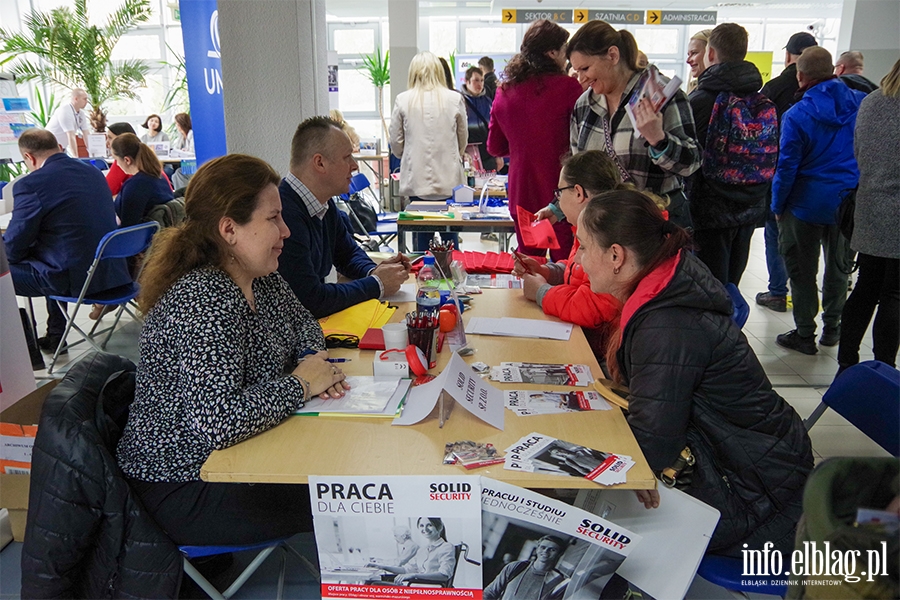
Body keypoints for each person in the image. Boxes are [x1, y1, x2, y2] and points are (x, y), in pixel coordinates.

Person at [116, 154, 350, 546]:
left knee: (344, 473)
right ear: (229, 230)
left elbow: (305, 323)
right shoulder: (204, 297)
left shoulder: (260, 276)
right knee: (347, 491)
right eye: (273, 218)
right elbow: (219, 421)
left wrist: (312, 360)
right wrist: (302, 384)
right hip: (183, 483)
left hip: (233, 457)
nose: (286, 231)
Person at [574, 188, 813, 557]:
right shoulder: (666, 285)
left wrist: (640, 464)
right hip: (754, 463)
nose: (579, 261)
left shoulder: (666, 325)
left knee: (583, 512)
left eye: (584, 247)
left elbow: (652, 441)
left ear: (616, 256)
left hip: (751, 494)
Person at [772, 47, 866, 355]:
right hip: (846, 204)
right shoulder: (861, 105)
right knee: (839, 269)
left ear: (800, 76)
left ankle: (804, 333)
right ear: (835, 71)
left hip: (804, 205)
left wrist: (777, 205)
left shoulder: (797, 114)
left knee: (801, 270)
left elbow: (786, 167)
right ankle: (833, 328)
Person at [3, 128, 131, 352]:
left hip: (76, 280)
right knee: (53, 258)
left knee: (13, 267)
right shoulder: (92, 172)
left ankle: (22, 351)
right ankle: (55, 337)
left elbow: (14, 246)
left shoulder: (31, 184)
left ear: (28, 157)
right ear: (59, 147)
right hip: (113, 274)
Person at [567, 20, 700, 230]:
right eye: (577, 70)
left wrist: (659, 140)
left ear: (612, 55)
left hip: (656, 224)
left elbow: (691, 163)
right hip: (608, 225)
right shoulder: (584, 105)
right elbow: (579, 169)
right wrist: (559, 206)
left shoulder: (663, 95)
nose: (581, 78)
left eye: (585, 68)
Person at [280, 116, 410, 318]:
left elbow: (347, 253)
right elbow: (311, 300)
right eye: (347, 157)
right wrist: (377, 284)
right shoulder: (284, 216)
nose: (355, 166)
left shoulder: (324, 202)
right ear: (320, 163)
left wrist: (374, 271)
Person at [487, 19, 583, 261]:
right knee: (567, 264)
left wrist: (522, 144)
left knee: (532, 264)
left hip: (524, 190)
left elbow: (495, 146)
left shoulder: (505, 91)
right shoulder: (570, 88)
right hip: (564, 193)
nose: (567, 59)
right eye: (564, 52)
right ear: (552, 53)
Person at [513, 151, 622, 358]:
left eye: (560, 193)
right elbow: (577, 269)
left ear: (579, 193)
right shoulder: (593, 226)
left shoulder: (609, 235)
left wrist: (541, 292)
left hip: (602, 353)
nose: (557, 202)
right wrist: (547, 271)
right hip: (589, 341)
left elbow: (592, 306)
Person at [688, 23, 771, 286]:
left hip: (709, 211)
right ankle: (733, 324)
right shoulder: (760, 99)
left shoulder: (701, 100)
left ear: (710, 54)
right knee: (733, 283)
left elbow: (689, 160)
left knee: (708, 285)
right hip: (750, 205)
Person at [837, 59, 900, 374]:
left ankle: (846, 362)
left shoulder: (872, 101)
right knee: (894, 293)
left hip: (870, 204)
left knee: (866, 287)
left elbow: (859, 151)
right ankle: (883, 367)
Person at [755, 32, 818, 312]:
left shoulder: (774, 88)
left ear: (789, 56)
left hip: (777, 172)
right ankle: (822, 315)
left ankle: (778, 291)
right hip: (819, 183)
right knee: (811, 244)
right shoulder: (843, 95)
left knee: (774, 231)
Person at [390, 51, 467, 250]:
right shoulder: (454, 99)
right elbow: (462, 141)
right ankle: (453, 276)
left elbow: (396, 143)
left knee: (420, 245)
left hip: (417, 183)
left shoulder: (403, 99)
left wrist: (406, 155)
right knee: (451, 239)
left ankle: (423, 276)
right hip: (449, 182)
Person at [109, 133, 174, 227]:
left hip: (143, 239)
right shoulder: (159, 177)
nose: (117, 164)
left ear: (127, 160)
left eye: (116, 160)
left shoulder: (134, 186)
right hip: (162, 235)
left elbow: (128, 228)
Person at [484, 535, 569, 600]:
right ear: (537, 549)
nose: (545, 552)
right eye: (543, 547)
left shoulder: (559, 581)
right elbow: (490, 592)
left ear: (560, 554)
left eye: (552, 550)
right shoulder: (515, 567)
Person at [390, 518, 456, 585]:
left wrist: (415, 575)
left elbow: (444, 575)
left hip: (434, 589)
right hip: (417, 587)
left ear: (440, 527)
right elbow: (406, 570)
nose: (425, 529)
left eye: (429, 525)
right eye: (421, 526)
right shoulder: (422, 550)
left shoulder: (446, 547)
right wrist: (382, 567)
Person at [460, 66, 502, 172]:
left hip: (488, 156)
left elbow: (495, 128)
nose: (480, 84)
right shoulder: (460, 101)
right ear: (467, 81)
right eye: (476, 80)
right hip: (468, 156)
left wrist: (498, 154)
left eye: (482, 80)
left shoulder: (488, 101)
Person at [45, 88, 90, 156]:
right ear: (76, 99)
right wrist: (76, 157)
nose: (87, 102)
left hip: (61, 147)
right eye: (84, 99)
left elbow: (86, 134)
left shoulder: (81, 114)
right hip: (48, 147)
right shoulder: (65, 111)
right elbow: (70, 135)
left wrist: (92, 152)